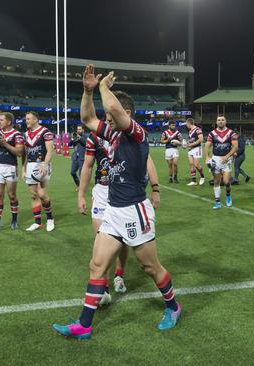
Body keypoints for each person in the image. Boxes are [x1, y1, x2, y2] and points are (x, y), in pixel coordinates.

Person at [53, 64, 179, 340]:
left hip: (135, 211)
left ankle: (173, 306)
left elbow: (114, 111)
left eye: (110, 116)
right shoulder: (112, 135)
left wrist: (102, 87)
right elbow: (87, 119)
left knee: (150, 267)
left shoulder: (137, 134)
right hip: (112, 211)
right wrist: (87, 91)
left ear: (126, 114)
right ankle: (84, 325)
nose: (106, 120)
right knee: (97, 266)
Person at [78, 132, 162, 304]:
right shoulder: (94, 136)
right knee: (101, 241)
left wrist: (155, 188)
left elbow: (147, 159)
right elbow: (87, 165)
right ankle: (104, 289)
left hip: (125, 191)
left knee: (123, 240)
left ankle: (119, 274)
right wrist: (81, 194)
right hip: (102, 192)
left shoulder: (132, 132)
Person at [22, 111, 55, 232]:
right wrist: (23, 169)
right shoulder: (25, 134)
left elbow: (50, 150)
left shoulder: (45, 132)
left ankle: (50, 219)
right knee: (33, 195)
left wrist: (45, 164)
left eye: (28, 119)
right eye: (26, 119)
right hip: (30, 165)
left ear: (35, 119)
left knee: (42, 194)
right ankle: (37, 222)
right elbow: (25, 154)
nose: (26, 121)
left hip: (42, 164)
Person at [205, 115, 238, 209]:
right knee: (216, 181)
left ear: (225, 121)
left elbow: (235, 146)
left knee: (226, 182)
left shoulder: (231, 133)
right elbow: (207, 145)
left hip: (226, 160)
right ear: (216, 122)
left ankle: (228, 195)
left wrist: (227, 156)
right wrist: (207, 157)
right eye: (219, 120)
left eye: (222, 120)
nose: (220, 121)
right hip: (215, 159)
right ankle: (217, 202)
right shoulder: (212, 133)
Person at [184, 118, 205, 186]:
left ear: (189, 123)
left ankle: (202, 176)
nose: (186, 125)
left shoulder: (198, 129)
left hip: (196, 148)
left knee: (196, 165)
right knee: (191, 164)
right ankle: (194, 180)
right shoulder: (190, 131)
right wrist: (186, 144)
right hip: (190, 149)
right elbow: (191, 140)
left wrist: (191, 144)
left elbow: (201, 139)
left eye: (186, 124)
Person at [69, 125, 87, 190]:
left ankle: (82, 187)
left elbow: (85, 144)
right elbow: (69, 144)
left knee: (81, 174)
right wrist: (72, 138)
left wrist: (79, 138)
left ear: (83, 130)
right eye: (77, 129)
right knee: (72, 172)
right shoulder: (75, 137)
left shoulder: (85, 137)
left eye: (80, 129)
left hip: (82, 158)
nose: (78, 130)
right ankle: (78, 184)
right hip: (75, 157)